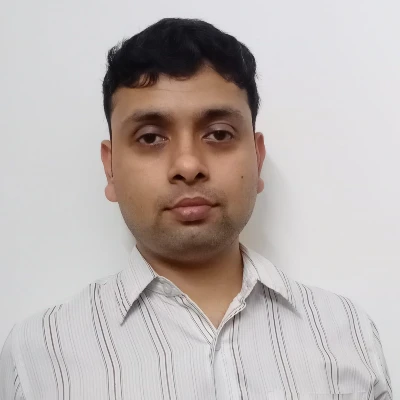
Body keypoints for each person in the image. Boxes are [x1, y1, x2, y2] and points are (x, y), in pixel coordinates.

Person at [0, 17, 392, 400]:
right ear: (111, 167)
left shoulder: (347, 332)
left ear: (257, 158)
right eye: (150, 138)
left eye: (219, 134)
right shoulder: (37, 356)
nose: (188, 166)